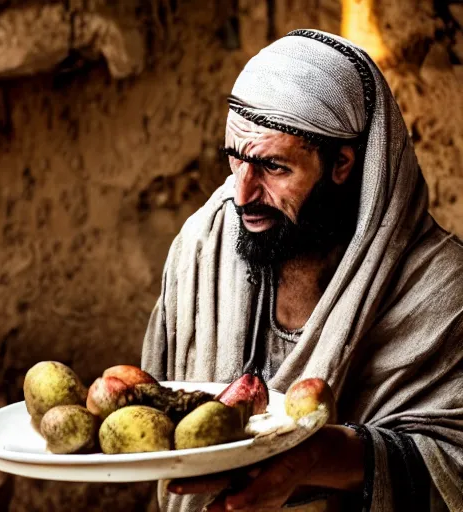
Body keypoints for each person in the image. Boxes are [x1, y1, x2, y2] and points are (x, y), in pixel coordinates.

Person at [141, 29, 463, 511]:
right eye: (235, 160)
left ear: (342, 164)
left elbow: (454, 465)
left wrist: (314, 460)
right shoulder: (203, 243)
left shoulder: (439, 289)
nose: (243, 194)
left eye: (273, 167)